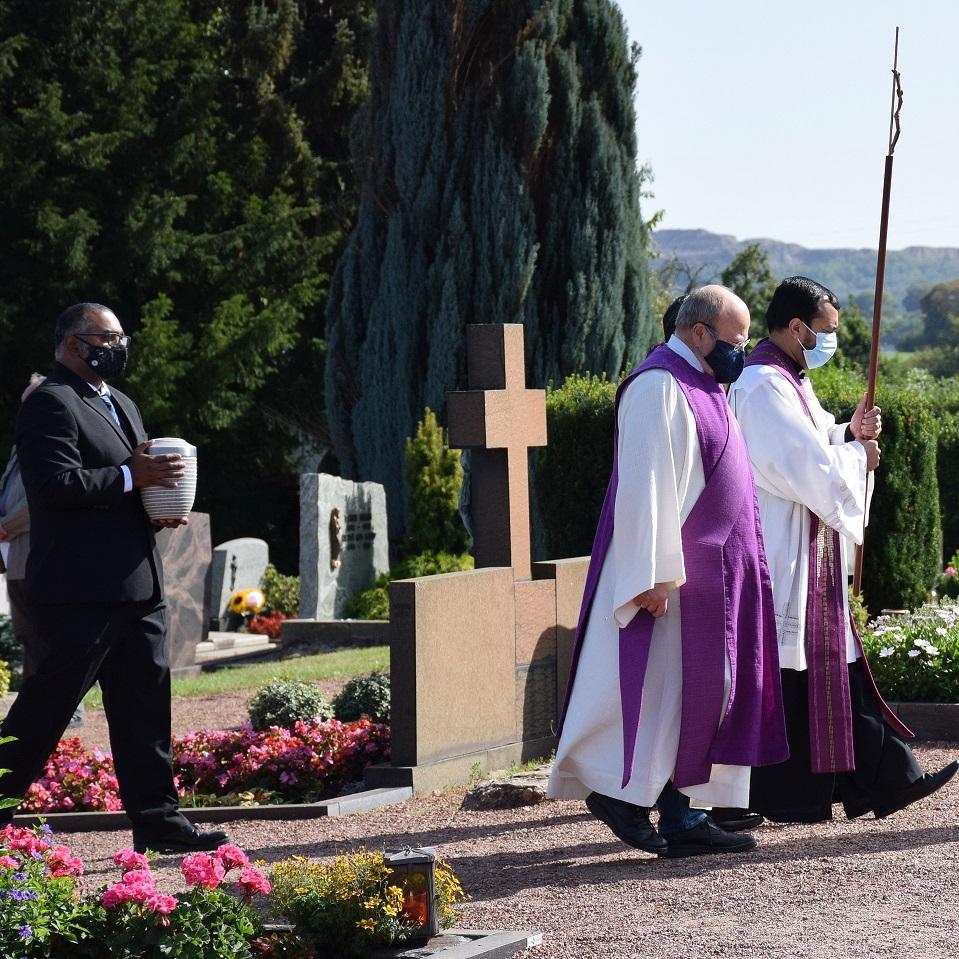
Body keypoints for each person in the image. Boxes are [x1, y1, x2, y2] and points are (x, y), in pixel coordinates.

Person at [548, 285, 788, 858]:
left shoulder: (706, 383)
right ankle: (621, 796)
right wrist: (651, 575)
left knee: (699, 698)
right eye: (737, 339)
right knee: (656, 699)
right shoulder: (659, 386)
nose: (744, 349)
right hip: (671, 585)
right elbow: (644, 486)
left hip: (710, 583)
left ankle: (685, 815)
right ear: (699, 332)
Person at [0, 302, 229, 854]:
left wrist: (155, 504)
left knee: (144, 709)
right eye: (110, 337)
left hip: (138, 586)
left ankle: (158, 821)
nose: (120, 347)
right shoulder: (50, 402)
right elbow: (56, 488)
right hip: (81, 592)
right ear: (74, 343)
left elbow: (128, 486)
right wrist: (132, 475)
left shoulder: (119, 401)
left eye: (122, 337)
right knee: (42, 714)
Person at [728, 275, 958, 822]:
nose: (832, 341)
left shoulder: (790, 379)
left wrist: (844, 434)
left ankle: (871, 781)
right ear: (796, 326)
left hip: (806, 543)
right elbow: (798, 467)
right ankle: (847, 787)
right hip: (784, 547)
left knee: (829, 664)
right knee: (805, 669)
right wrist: (856, 456)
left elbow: (811, 445)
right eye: (826, 331)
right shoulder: (762, 385)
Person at [0, 376, 87, 726]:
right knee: (28, 636)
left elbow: (42, 500)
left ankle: (67, 710)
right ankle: (37, 710)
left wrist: (6, 526)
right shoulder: (21, 448)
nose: (26, 411)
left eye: (31, 402)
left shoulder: (54, 443)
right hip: (16, 558)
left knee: (50, 637)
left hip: (40, 552)